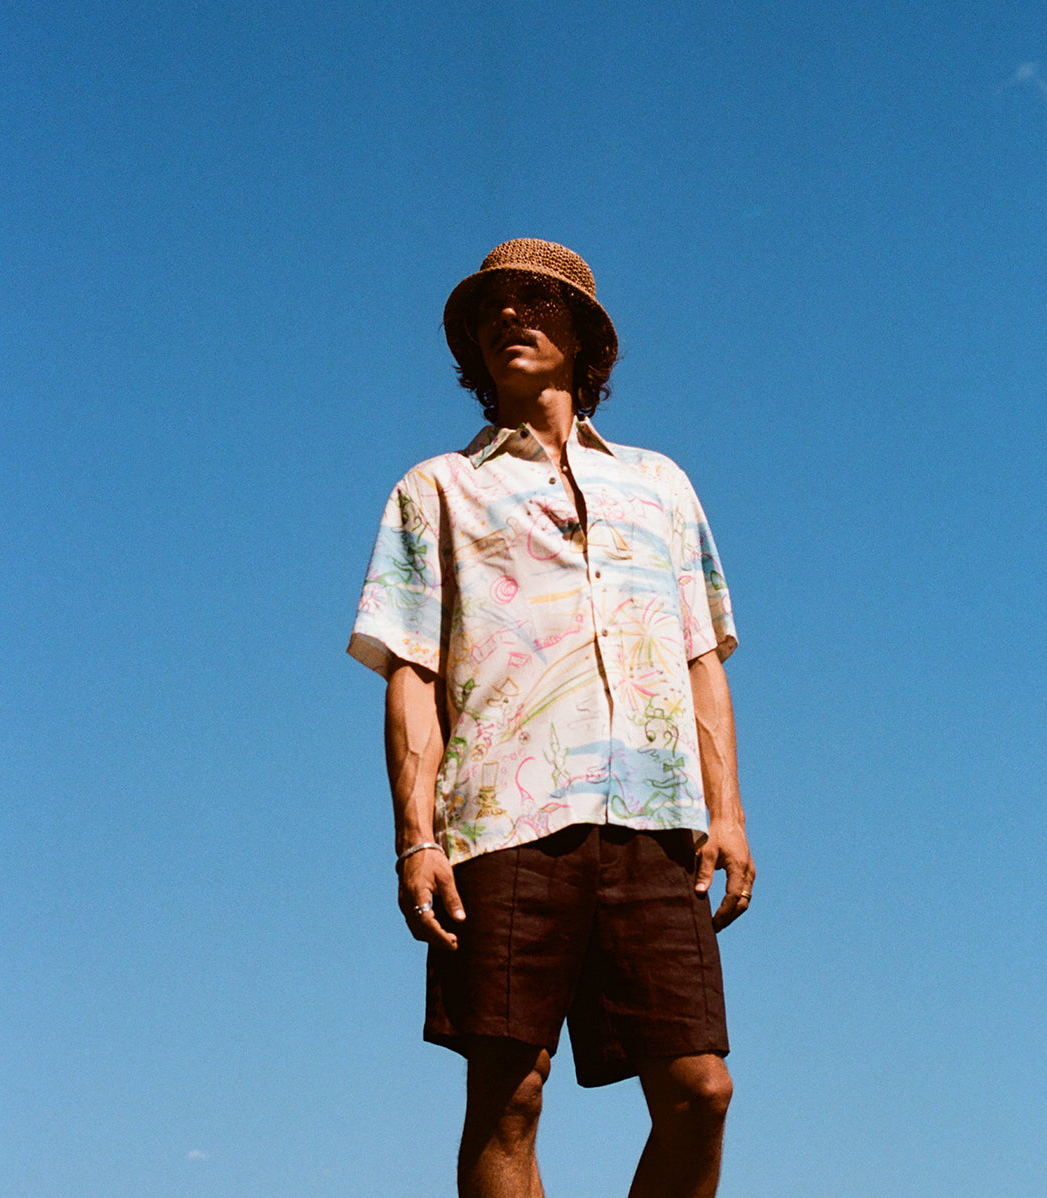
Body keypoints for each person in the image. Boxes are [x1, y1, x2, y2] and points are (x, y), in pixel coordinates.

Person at [348, 238, 754, 1198]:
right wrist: (415, 841)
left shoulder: (662, 485)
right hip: (499, 823)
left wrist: (729, 813)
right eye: (490, 309)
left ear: (586, 340)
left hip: (657, 823)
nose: (507, 319)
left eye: (534, 303)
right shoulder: (435, 490)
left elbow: (701, 654)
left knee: (701, 1089)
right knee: (510, 1092)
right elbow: (410, 671)